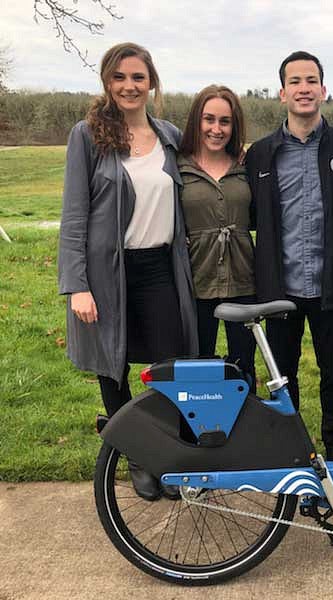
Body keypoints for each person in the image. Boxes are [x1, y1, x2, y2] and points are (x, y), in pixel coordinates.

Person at [58, 42, 198, 501]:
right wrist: (77, 284)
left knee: (168, 365)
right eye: (119, 77)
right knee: (112, 367)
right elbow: (75, 214)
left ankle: (168, 453)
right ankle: (137, 457)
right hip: (106, 272)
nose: (129, 86)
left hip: (159, 267)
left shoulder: (171, 135)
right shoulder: (88, 135)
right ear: (107, 82)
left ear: (151, 81)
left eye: (137, 77)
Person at [246, 51, 333, 461]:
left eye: (311, 80)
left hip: (328, 284)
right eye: (295, 81)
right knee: (283, 375)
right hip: (280, 287)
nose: (303, 88)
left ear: (323, 90)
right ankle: (289, 448)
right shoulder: (260, 154)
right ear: (282, 93)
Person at [178, 85, 256, 388]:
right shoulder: (177, 167)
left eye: (224, 121)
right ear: (197, 120)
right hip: (197, 280)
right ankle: (199, 432)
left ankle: (242, 429)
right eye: (209, 119)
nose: (216, 128)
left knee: (243, 366)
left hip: (243, 280)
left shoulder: (245, 166)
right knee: (199, 367)